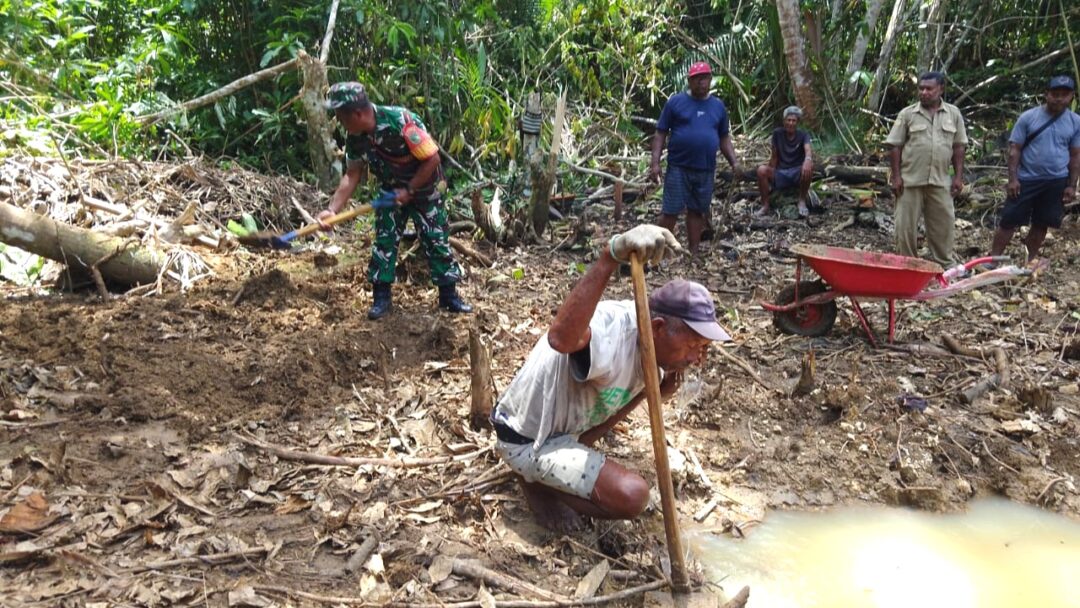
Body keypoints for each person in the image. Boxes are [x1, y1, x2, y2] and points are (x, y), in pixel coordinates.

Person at [490, 224, 732, 532]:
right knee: (633, 495)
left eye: (704, 349)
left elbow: (604, 418)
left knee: (606, 446)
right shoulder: (614, 328)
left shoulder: (655, 354)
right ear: (657, 328)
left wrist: (649, 392)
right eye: (693, 345)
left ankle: (547, 475)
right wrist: (609, 257)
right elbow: (562, 339)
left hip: (564, 430)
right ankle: (537, 482)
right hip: (524, 437)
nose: (698, 359)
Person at [319, 82, 471, 319]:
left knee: (435, 238)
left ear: (357, 114)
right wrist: (332, 210)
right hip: (391, 191)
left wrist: (410, 189)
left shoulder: (401, 122)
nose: (338, 121)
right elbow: (352, 174)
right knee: (384, 240)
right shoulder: (356, 137)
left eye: (340, 115)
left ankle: (449, 296)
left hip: (426, 189)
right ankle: (382, 298)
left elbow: (432, 159)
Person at [650, 62, 740, 254]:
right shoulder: (676, 102)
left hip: (705, 168)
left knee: (697, 210)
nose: (702, 82)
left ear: (710, 79)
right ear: (689, 81)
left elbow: (724, 137)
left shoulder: (718, 107)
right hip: (678, 167)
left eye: (705, 77)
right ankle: (656, 252)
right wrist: (655, 163)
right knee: (670, 211)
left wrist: (734, 162)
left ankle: (693, 251)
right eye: (697, 78)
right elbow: (660, 133)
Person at [988, 75, 1080, 262]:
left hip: (1056, 181)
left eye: (1064, 94)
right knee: (1009, 221)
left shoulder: (1075, 122)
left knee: (1042, 223)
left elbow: (1075, 155)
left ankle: (1029, 260)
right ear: (1046, 94)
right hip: (1027, 179)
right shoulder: (1029, 117)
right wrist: (1013, 179)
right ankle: (993, 259)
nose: (1059, 98)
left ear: (1071, 96)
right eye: (1055, 94)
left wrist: (1072, 184)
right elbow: (1015, 150)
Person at [884, 71, 968, 268]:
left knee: (944, 224)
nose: (924, 92)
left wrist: (958, 177)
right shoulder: (907, 114)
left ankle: (943, 265)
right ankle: (908, 265)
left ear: (941, 89)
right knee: (905, 227)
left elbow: (959, 146)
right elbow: (894, 145)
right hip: (910, 180)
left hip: (940, 181)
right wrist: (896, 177)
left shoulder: (953, 114)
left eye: (929, 88)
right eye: (921, 88)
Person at [756, 106, 814, 218]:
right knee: (761, 170)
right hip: (781, 172)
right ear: (784, 121)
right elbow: (774, 157)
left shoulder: (803, 135)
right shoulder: (777, 134)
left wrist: (808, 160)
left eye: (794, 120)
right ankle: (765, 205)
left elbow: (808, 150)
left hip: (797, 172)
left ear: (797, 123)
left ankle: (801, 200)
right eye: (788, 120)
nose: (791, 123)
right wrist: (769, 179)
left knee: (809, 166)